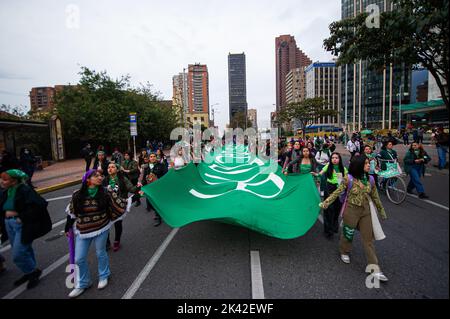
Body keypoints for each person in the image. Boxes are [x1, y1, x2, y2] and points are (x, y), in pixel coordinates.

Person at [319, 156, 388, 282]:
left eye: (369, 163)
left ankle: (374, 268)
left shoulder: (371, 179)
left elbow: (376, 197)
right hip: (351, 211)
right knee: (348, 234)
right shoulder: (348, 179)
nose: (369, 165)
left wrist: (381, 211)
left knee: (368, 240)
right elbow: (337, 193)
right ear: (359, 165)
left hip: (366, 212)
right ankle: (344, 251)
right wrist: (326, 202)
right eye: (366, 163)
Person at [65, 169, 128, 298]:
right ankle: (83, 283)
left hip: (101, 228)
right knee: (79, 258)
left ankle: (104, 275)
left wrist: (137, 195)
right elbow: (72, 212)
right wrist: (67, 227)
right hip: (83, 230)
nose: (100, 177)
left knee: (100, 253)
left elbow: (120, 203)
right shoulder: (77, 194)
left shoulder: (106, 192)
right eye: (96, 176)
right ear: (87, 180)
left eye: (100, 175)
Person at [0, 169, 52, 289]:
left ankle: (33, 272)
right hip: (9, 224)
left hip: (21, 225)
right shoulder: (6, 191)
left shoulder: (25, 190)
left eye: (5, 179)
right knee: (25, 249)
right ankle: (29, 272)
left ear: (13, 181)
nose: (2, 182)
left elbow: (40, 204)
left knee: (18, 253)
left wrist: (22, 217)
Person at [103, 163, 137, 251]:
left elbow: (132, 189)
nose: (110, 169)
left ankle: (116, 241)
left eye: (112, 167)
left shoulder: (122, 179)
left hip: (119, 206)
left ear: (117, 170)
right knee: (105, 225)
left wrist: (139, 187)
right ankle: (107, 243)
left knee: (117, 224)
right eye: (109, 167)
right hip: (107, 206)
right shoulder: (105, 180)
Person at [316, 152, 347, 239]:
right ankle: (328, 231)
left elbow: (347, 178)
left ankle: (334, 227)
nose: (334, 159)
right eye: (333, 158)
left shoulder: (343, 169)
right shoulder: (328, 166)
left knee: (337, 210)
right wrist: (316, 175)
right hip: (329, 189)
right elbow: (320, 173)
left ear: (339, 159)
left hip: (340, 190)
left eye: (336, 158)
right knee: (329, 210)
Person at [138, 153, 167, 226]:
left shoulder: (161, 166)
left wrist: (157, 179)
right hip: (149, 188)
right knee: (150, 204)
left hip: (158, 188)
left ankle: (158, 216)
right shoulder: (146, 167)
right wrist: (142, 185)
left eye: (154, 156)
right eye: (151, 157)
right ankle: (159, 212)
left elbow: (165, 176)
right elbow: (144, 177)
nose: (152, 158)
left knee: (156, 202)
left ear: (156, 158)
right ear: (149, 158)